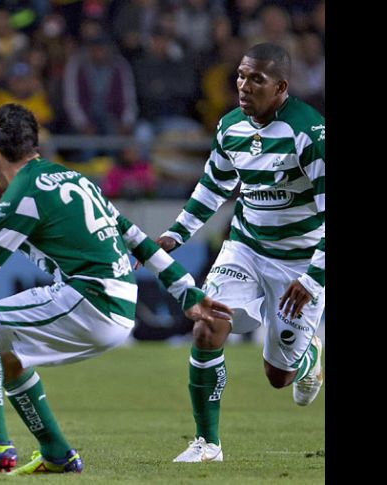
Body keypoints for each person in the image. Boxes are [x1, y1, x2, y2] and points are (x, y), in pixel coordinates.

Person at [0, 104, 233, 474]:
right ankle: (57, 454)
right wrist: (186, 292)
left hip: (89, 301)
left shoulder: (19, 199)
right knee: (7, 356)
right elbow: (137, 239)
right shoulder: (75, 179)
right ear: (36, 146)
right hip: (117, 301)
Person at [153, 43, 325, 462]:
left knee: (277, 377)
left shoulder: (309, 134)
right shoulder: (231, 126)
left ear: (281, 87)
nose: (244, 87)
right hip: (245, 248)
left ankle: (308, 357)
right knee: (207, 324)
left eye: (256, 80)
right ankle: (207, 443)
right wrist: (176, 235)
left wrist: (313, 276)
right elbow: (213, 186)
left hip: (300, 262)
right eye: (241, 77)